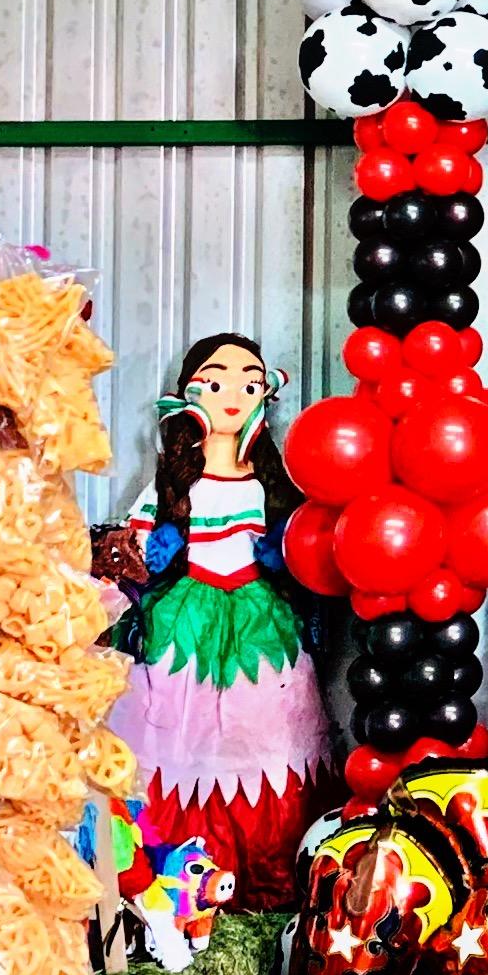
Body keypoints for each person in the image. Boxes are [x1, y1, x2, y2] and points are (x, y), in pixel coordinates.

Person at [109, 335, 333, 911]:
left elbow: (303, 544)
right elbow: (130, 549)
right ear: (188, 393)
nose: (232, 394)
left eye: (249, 382)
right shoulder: (172, 484)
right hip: (184, 622)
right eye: (215, 380)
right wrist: (144, 557)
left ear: (265, 395)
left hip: (261, 625)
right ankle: (173, 874)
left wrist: (283, 554)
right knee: (180, 743)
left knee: (267, 736)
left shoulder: (274, 485)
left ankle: (264, 875)